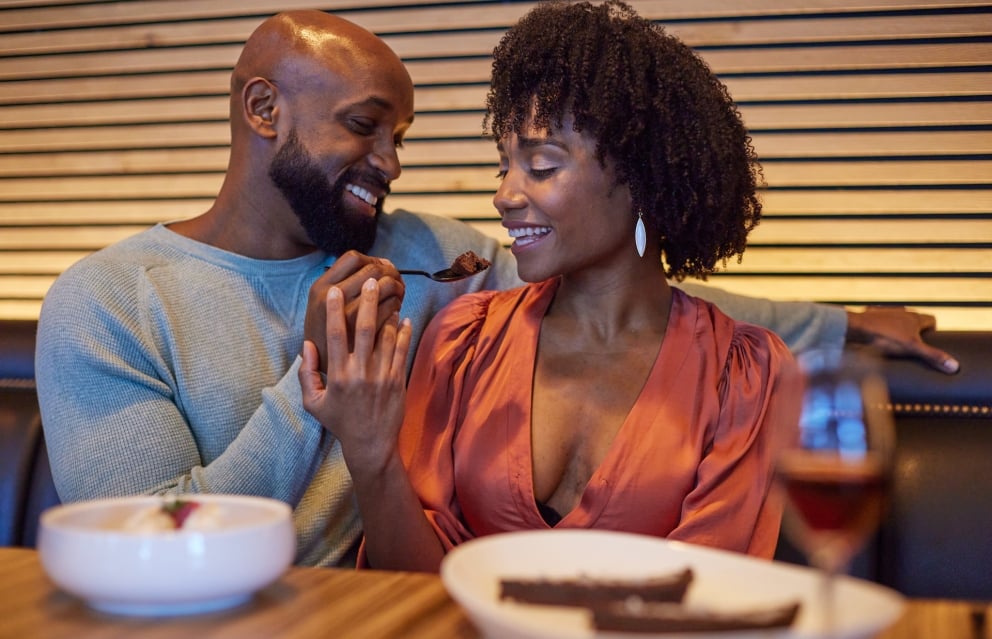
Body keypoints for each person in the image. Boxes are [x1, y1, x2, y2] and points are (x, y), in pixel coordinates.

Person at [35, 9, 955, 569]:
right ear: (264, 111)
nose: (392, 163)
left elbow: (637, 300)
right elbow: (146, 545)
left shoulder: (424, 253)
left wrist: (838, 324)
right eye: (366, 126)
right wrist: (312, 382)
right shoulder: (109, 301)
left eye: (401, 134)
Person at [300, 0, 807, 572]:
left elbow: (709, 596)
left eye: (541, 165)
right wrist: (370, 454)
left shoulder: (742, 375)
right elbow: (412, 586)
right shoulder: (465, 343)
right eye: (503, 167)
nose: (506, 194)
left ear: (641, 178)